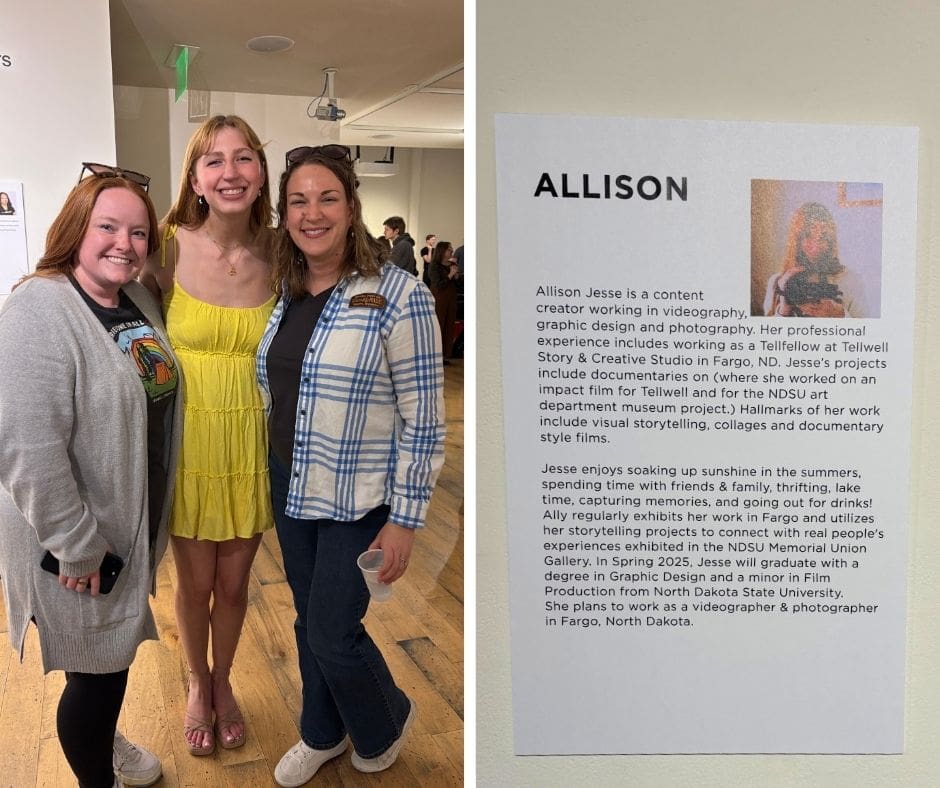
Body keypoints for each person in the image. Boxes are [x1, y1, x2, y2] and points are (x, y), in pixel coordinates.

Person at [256, 144, 446, 786]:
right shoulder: (287, 292)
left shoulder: (400, 296)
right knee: (310, 619)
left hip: (359, 496)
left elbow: (424, 417)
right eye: (299, 202)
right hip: (291, 481)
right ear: (285, 215)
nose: (313, 213)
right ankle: (321, 731)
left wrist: (406, 520)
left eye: (327, 198)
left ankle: (386, 717)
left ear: (352, 207)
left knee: (335, 631)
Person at [0, 166, 181, 788]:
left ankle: (106, 743)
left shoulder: (136, 299)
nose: (124, 245)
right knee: (96, 673)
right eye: (108, 227)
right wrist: (75, 547)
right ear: (77, 227)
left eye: (138, 233)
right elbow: (26, 447)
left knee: (107, 663)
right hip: (75, 539)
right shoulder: (39, 309)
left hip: (128, 525)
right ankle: (96, 776)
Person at [140, 115, 276, 756]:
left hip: (249, 440)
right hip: (189, 442)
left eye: (243, 158)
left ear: (259, 173)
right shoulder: (163, 247)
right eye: (214, 161)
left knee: (234, 585)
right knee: (194, 586)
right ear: (195, 178)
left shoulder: (282, 252)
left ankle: (226, 682)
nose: (230, 172)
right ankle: (197, 682)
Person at [763, 201, 871, 317]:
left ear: (831, 241)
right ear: (796, 240)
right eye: (807, 236)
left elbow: (867, 331)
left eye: (823, 237)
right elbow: (769, 332)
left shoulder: (851, 281)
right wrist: (784, 308)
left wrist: (839, 314)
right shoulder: (777, 282)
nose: (815, 247)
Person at [428, 240, 459, 363]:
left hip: (451, 298)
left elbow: (458, 284)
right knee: (439, 324)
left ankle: (445, 354)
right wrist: (450, 275)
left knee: (449, 324)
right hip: (439, 298)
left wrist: (457, 276)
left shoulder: (451, 265)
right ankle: (435, 354)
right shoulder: (434, 266)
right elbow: (438, 285)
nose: (451, 250)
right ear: (442, 251)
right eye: (449, 249)